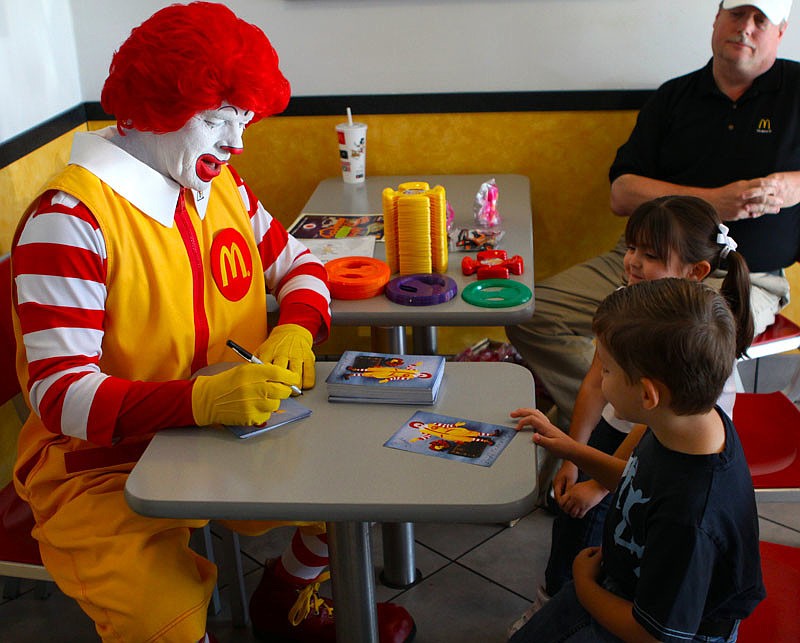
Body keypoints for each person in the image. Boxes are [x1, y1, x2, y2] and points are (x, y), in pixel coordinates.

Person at [9, 4, 414, 643]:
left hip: (231, 433)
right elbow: (60, 397)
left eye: (243, 119)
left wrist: (296, 329)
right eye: (215, 120)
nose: (236, 142)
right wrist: (200, 398)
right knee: (163, 620)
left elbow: (301, 264)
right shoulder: (69, 221)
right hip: (99, 468)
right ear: (149, 111)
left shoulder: (220, 186)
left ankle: (283, 595)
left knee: (359, 483)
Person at [505, 0, 800, 429]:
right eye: (737, 14)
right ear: (717, 20)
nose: (746, 28)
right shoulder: (675, 96)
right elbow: (622, 193)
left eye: (761, 20)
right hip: (640, 258)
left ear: (781, 31)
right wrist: (714, 201)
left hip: (743, 275)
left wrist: (793, 184)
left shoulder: (796, 90)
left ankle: (653, 442)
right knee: (530, 314)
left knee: (682, 340)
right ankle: (609, 423)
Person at [507, 196, 753, 637]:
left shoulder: (690, 516)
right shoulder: (680, 428)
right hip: (620, 580)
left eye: (608, 370)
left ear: (646, 394)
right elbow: (637, 477)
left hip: (624, 610)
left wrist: (583, 587)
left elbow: (654, 634)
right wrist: (568, 448)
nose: (601, 377)